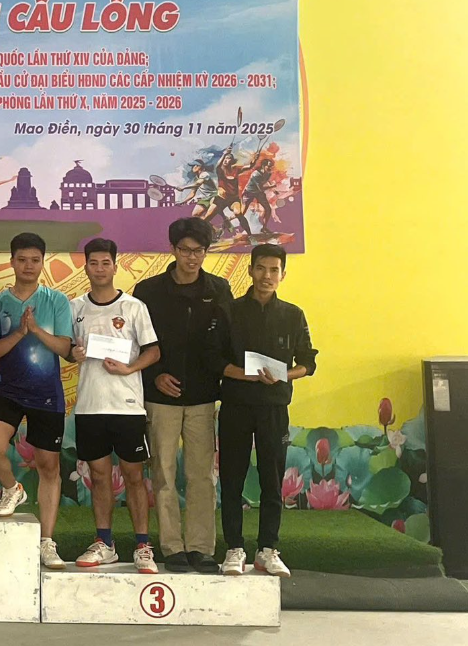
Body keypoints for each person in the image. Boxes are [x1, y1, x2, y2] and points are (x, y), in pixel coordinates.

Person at [134, 216, 233, 573]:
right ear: (173, 250)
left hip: (203, 396)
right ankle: (172, 547)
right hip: (160, 397)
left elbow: (227, 341)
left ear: (206, 252)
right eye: (185, 250)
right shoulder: (148, 291)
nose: (192, 257)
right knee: (163, 472)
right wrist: (155, 375)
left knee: (201, 475)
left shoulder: (219, 289)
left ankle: (201, 548)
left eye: (199, 251)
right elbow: (136, 342)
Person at [217, 243, 317, 578]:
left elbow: (308, 363)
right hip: (235, 406)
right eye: (261, 268)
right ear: (250, 270)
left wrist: (284, 375)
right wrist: (244, 375)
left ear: (283, 274)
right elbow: (214, 360)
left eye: (274, 270)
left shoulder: (293, 314)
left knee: (272, 482)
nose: (267, 276)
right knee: (232, 480)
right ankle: (234, 549)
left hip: (273, 408)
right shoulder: (229, 311)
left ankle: (267, 550)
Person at [69, 238, 161, 574]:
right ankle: (105, 543)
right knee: (99, 476)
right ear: (85, 267)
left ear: (115, 266)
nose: (99, 269)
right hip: (90, 405)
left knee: (134, 476)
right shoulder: (75, 307)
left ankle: (142, 546)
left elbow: (153, 351)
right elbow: (68, 349)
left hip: (127, 406)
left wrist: (129, 368)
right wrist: (73, 353)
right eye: (93, 263)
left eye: (105, 263)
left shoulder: (134, 307)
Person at [0, 232, 74, 569]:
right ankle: (12, 488)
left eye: (35, 260)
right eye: (22, 260)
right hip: (7, 390)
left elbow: (65, 348)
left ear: (43, 262)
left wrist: (35, 330)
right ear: (11, 262)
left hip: (46, 394)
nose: (28, 266)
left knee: (49, 467)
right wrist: (19, 333)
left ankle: (47, 542)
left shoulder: (57, 300)